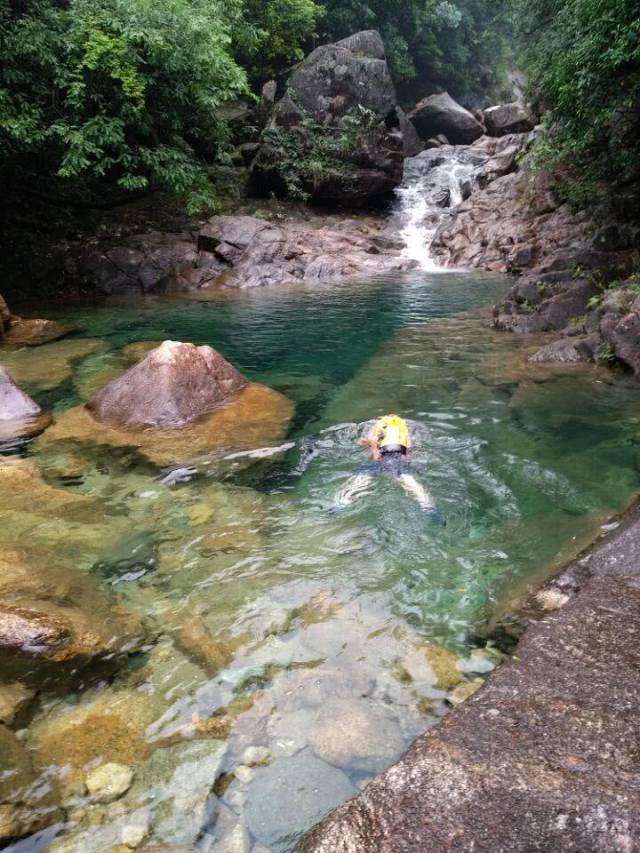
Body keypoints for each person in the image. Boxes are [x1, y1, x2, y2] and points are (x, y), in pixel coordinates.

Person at [337, 414, 445, 523]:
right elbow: (409, 450)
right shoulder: (404, 435)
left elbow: (362, 443)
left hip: (382, 459)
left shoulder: (375, 433)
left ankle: (342, 503)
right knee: (411, 483)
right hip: (398, 460)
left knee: (361, 480)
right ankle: (427, 506)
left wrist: (369, 445)